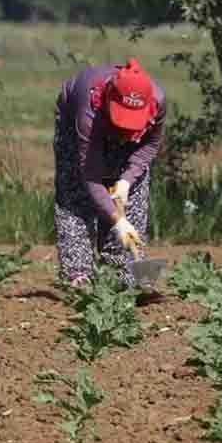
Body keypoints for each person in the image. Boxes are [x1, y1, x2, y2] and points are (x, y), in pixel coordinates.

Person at [52, 57, 166, 287]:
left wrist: (126, 180)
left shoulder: (158, 101)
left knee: (133, 195)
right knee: (75, 196)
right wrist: (117, 221)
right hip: (79, 121)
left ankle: (124, 273)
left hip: (119, 123)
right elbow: (91, 175)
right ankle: (78, 274)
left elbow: (150, 146)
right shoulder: (88, 110)